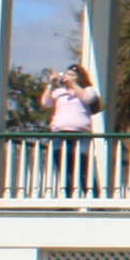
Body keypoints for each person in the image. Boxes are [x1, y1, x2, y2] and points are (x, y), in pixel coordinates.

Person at [41, 66, 101, 197]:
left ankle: (94, 198)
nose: (68, 77)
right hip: (59, 133)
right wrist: (51, 84)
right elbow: (46, 103)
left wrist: (73, 85)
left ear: (79, 77)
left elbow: (88, 99)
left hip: (81, 135)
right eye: (67, 74)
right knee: (64, 167)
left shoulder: (87, 90)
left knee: (83, 167)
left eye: (72, 75)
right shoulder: (59, 92)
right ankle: (68, 198)